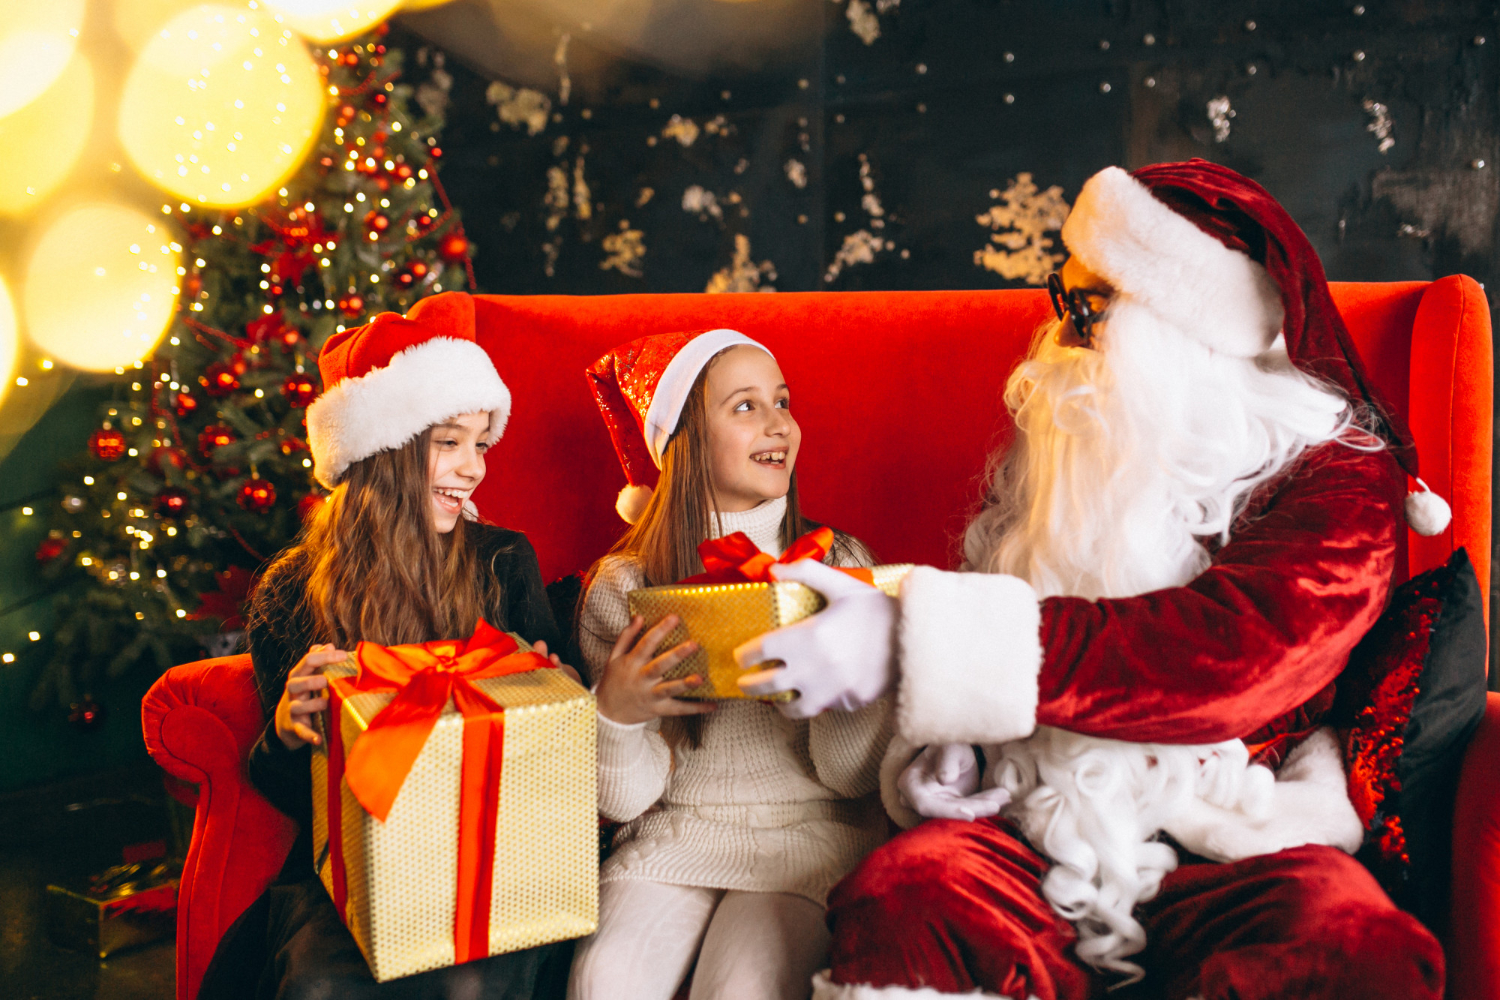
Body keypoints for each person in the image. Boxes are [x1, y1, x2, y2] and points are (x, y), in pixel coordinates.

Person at [734, 161, 1450, 1000]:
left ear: (1187, 327)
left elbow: (1235, 650)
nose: (1059, 337)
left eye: (1090, 307)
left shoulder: (1335, 476)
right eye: (1060, 297)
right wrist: (957, 748)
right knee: (907, 896)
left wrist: (907, 637)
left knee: (1351, 945)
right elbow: (1004, 599)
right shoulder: (1071, 442)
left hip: (1244, 824)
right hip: (1038, 811)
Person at [198, 292, 575, 1000]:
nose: (474, 469)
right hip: (351, 865)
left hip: (488, 858)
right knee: (318, 986)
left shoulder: (501, 562)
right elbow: (290, 795)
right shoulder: (291, 589)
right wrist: (285, 734)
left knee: (468, 985)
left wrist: (545, 691)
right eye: (449, 443)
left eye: (481, 445)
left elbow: (560, 742)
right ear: (383, 450)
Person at [566, 329, 894, 1000]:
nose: (778, 423)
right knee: (604, 982)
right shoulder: (624, 587)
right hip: (676, 834)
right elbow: (629, 799)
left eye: (782, 400)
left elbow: (854, 776)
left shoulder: (838, 565)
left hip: (810, 841)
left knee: (740, 990)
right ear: (684, 441)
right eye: (745, 406)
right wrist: (616, 715)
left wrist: (843, 688)